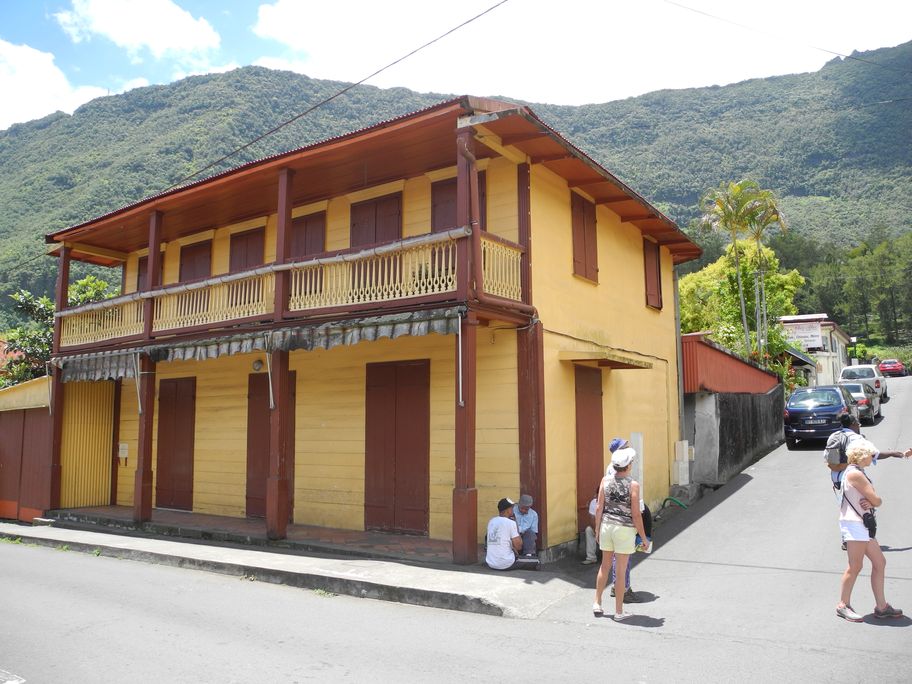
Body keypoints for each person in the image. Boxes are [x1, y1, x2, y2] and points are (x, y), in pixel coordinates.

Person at [835, 439, 903, 622]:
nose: (872, 457)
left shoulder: (854, 471)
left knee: (879, 562)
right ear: (861, 455)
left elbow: (871, 499)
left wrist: (872, 502)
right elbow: (877, 499)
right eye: (870, 454)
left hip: (860, 525)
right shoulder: (855, 474)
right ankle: (843, 605)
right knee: (855, 566)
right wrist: (874, 502)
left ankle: (882, 607)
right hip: (855, 524)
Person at [825, 414, 912, 549]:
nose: (859, 427)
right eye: (858, 424)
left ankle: (847, 539)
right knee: (865, 505)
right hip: (854, 477)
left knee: (846, 506)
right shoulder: (857, 438)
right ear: (854, 424)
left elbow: (828, 460)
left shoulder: (833, 436)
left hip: (837, 478)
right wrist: (893, 453)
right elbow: (874, 454)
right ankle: (866, 537)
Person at [593, 447, 650, 621]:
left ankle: (597, 602)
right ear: (628, 466)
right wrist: (643, 537)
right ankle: (618, 611)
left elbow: (599, 507)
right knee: (620, 570)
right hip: (624, 529)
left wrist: (597, 528)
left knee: (604, 566)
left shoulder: (605, 480)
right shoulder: (633, 485)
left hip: (606, 526)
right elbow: (636, 514)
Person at [605, 437, 648, 602]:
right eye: (624, 447)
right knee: (624, 556)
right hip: (623, 519)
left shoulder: (613, 469)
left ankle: (617, 586)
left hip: (613, 518)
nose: (627, 448)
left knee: (619, 557)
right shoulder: (617, 471)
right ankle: (623, 589)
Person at [485, 498, 522, 570]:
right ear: (508, 510)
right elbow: (518, 547)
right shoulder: (511, 523)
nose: (513, 510)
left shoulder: (491, 521)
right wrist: (516, 524)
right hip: (506, 563)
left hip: (490, 563)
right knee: (535, 561)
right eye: (512, 508)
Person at [582, 489, 599, 564]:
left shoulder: (610, 503)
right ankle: (591, 557)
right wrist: (597, 531)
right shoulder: (594, 502)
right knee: (588, 530)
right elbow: (591, 519)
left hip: (608, 527)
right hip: (598, 527)